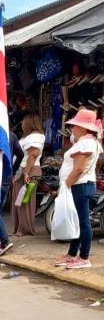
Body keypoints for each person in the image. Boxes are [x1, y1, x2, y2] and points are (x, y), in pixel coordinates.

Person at [55, 108, 102, 270]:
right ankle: (73, 254)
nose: (73, 128)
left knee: (82, 222)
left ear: (82, 127)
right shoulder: (90, 142)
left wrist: (66, 185)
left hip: (79, 185)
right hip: (82, 184)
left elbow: (78, 169)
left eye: (75, 125)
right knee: (78, 221)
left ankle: (83, 257)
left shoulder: (86, 143)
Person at [13, 113, 46, 236]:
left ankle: (24, 229)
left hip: (28, 170)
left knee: (24, 200)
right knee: (20, 200)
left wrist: (26, 172)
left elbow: (33, 154)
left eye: (23, 121)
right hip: (23, 170)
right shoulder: (30, 136)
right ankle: (20, 227)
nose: (22, 123)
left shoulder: (35, 137)